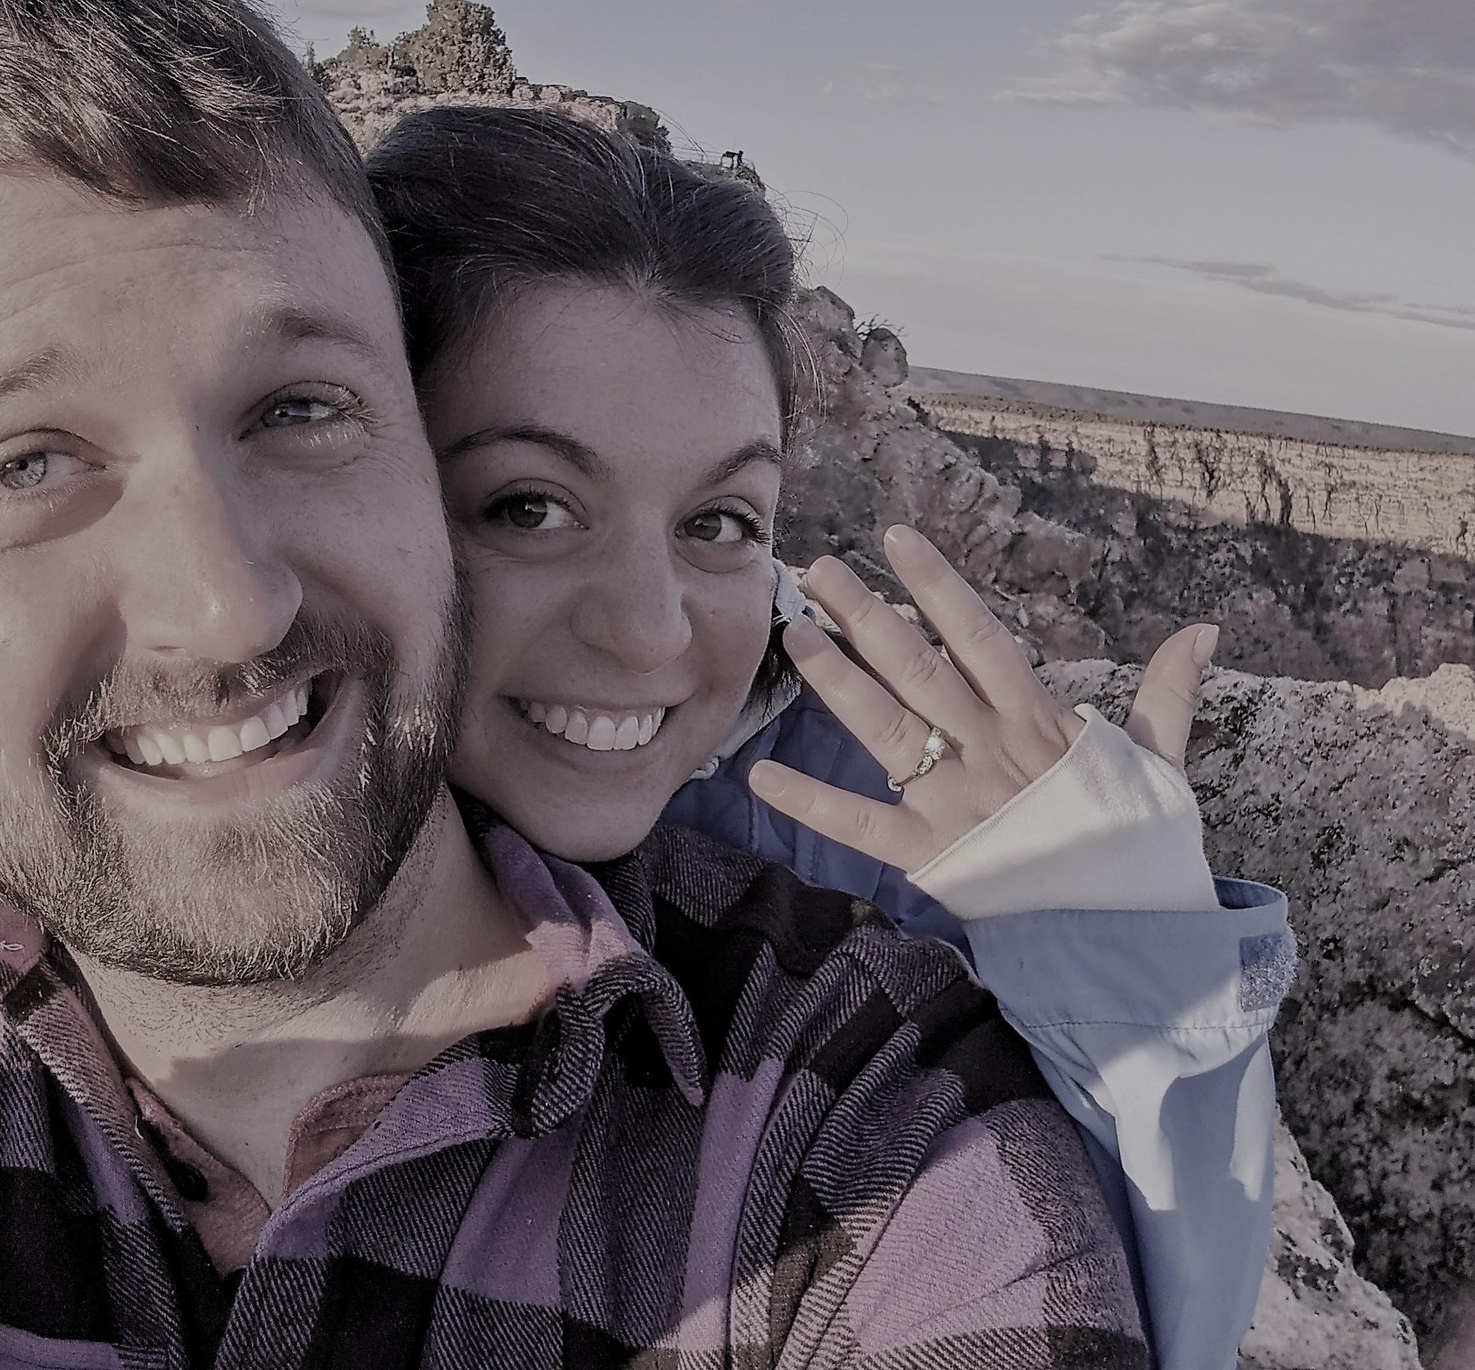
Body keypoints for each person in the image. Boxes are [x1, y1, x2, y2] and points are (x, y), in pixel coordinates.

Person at [0, 0, 1146, 1365]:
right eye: (28, 463)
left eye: (299, 411)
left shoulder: (873, 1126)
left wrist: (1125, 937)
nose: (229, 605)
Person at [366, 106, 1296, 1370]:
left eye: (720, 522)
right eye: (530, 507)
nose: (649, 632)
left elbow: (1129, 1319)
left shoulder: (896, 824)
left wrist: (1120, 953)